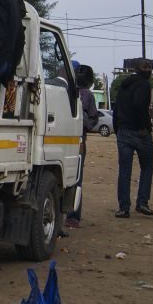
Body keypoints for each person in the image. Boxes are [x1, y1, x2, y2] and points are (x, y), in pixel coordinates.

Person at [113, 59, 153, 218]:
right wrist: (146, 126)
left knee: (124, 170)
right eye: (148, 68)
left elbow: (117, 108)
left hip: (123, 131)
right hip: (139, 132)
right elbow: (138, 105)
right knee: (147, 166)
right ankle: (142, 202)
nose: (149, 70)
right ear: (141, 70)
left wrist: (117, 128)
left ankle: (124, 208)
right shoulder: (144, 84)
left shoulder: (124, 85)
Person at [66, 64, 100, 228]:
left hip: (62, 140)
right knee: (76, 178)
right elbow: (93, 120)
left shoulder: (65, 90)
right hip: (78, 142)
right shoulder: (88, 96)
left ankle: (66, 214)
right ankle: (73, 216)